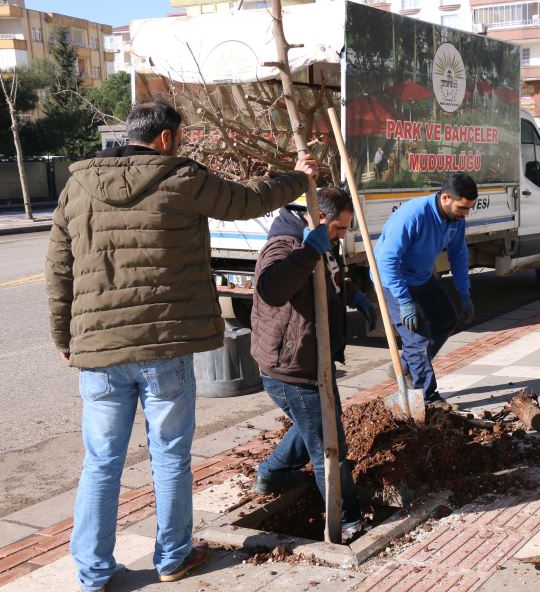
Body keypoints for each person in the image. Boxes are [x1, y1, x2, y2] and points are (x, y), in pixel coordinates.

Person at [44, 100, 318, 591]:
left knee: (101, 461)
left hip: (99, 353)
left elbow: (59, 269)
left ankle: (92, 574)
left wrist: (64, 335)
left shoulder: (76, 186)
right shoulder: (182, 178)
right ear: (167, 138)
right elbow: (248, 201)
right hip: (165, 346)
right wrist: (297, 176)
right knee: (169, 454)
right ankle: (173, 557)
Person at [249, 186, 375, 539]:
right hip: (292, 368)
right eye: (337, 228)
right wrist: (307, 251)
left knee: (317, 425)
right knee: (329, 446)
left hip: (314, 361)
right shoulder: (286, 245)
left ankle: (271, 474)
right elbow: (271, 289)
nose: (340, 236)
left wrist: (356, 296)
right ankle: (348, 519)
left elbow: (328, 281)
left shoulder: (321, 240)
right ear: (319, 218)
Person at [373, 172, 478, 410]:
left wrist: (464, 294)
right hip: (393, 280)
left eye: (468, 209)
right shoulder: (413, 216)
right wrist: (404, 300)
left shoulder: (455, 221)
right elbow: (387, 262)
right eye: (462, 207)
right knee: (417, 339)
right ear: (445, 198)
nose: (465, 214)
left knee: (446, 320)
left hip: (421, 277)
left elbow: (459, 256)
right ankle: (427, 398)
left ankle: (409, 366)